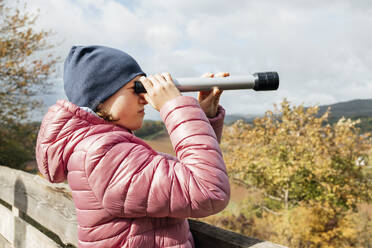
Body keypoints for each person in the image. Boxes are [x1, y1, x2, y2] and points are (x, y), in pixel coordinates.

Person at [36, 45, 230, 248]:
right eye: (136, 88)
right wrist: (174, 106)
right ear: (101, 99)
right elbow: (207, 189)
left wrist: (202, 118)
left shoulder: (105, 148)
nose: (145, 98)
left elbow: (180, 177)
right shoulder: (102, 153)